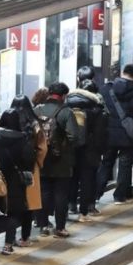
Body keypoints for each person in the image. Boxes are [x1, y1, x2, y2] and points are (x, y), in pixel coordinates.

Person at [98, 65, 133, 203]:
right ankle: (119, 196)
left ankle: (95, 195)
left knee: (106, 163)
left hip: (109, 133)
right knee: (125, 165)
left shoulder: (106, 89)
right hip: (129, 134)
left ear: (122, 73)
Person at [35, 82, 79, 237]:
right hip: (61, 160)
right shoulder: (66, 112)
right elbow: (74, 136)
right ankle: (60, 228)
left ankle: (43, 225)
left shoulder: (37, 109)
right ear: (64, 95)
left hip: (41, 158)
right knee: (61, 194)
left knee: (44, 192)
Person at [0, 108, 35, 248]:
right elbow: (29, 160)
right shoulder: (23, 139)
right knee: (13, 212)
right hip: (16, 180)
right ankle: (8, 245)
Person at [65, 79, 107, 221]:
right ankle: (84, 211)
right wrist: (100, 150)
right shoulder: (96, 109)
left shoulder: (67, 105)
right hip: (90, 150)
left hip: (70, 148)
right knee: (87, 179)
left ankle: (71, 205)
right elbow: (101, 134)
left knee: (71, 178)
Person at [9, 96, 47, 245]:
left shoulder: (8, 121)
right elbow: (42, 148)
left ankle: (9, 239)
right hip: (30, 168)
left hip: (11, 168)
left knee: (12, 204)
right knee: (28, 204)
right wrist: (38, 162)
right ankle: (25, 238)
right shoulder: (35, 124)